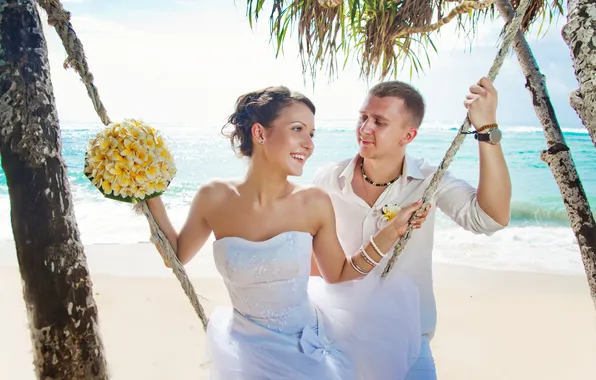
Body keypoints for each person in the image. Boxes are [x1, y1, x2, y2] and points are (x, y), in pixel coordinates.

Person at [146, 86, 429, 380]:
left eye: (312, 134)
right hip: (244, 354)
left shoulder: (314, 202)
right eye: (298, 129)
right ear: (260, 133)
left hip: (305, 352)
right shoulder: (213, 197)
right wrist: (147, 191)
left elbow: (339, 273)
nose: (309, 144)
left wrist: (392, 231)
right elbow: (176, 255)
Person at [312, 77, 512, 379]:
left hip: (408, 340)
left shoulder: (430, 182)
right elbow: (314, 263)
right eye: (363, 117)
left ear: (408, 135)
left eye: (379, 122)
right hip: (338, 336)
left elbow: (490, 219)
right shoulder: (329, 179)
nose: (365, 128)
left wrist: (486, 130)